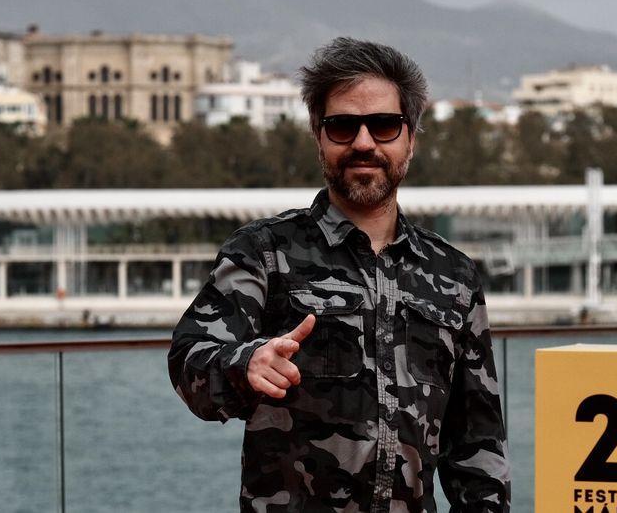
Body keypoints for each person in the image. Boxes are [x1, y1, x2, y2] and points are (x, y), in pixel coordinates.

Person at [169, 37, 509, 512]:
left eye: (385, 125)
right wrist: (245, 364)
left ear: (411, 137)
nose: (364, 143)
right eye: (343, 126)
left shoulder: (454, 275)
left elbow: (478, 442)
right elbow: (189, 360)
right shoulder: (265, 253)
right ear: (319, 135)